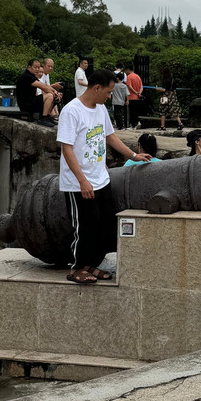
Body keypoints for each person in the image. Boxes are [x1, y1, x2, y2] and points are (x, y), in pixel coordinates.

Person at [57, 68, 151, 284]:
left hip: (101, 178)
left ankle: (92, 264)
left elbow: (110, 136)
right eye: (108, 92)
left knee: (104, 224)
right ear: (97, 88)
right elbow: (67, 149)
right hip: (79, 182)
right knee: (85, 226)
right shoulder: (71, 111)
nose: (110, 97)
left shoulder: (100, 110)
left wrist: (133, 155)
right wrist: (82, 180)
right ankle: (77, 267)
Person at [16, 59, 57, 127]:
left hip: (30, 101)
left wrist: (55, 92)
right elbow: (43, 87)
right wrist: (54, 92)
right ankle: (43, 118)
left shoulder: (31, 76)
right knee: (49, 96)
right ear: (29, 67)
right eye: (35, 67)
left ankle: (47, 116)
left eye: (38, 67)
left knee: (52, 96)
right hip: (26, 104)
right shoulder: (26, 76)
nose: (37, 69)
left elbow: (45, 86)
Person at [124, 64, 144, 129]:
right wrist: (139, 93)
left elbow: (129, 86)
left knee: (132, 112)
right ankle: (137, 122)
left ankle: (134, 124)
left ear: (128, 70)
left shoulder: (129, 77)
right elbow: (141, 86)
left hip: (131, 97)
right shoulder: (137, 76)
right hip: (138, 97)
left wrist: (135, 92)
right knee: (136, 111)